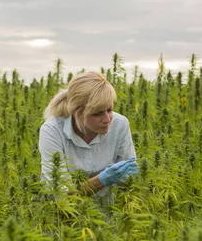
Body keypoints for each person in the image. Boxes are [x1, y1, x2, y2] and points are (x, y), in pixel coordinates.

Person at [38, 71, 139, 204]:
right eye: (97, 113)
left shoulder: (120, 124)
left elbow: (127, 186)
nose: (107, 119)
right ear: (77, 112)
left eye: (109, 109)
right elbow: (61, 195)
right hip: (62, 216)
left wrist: (129, 178)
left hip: (107, 215)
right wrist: (101, 180)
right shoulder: (52, 131)